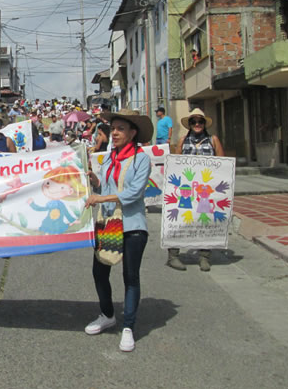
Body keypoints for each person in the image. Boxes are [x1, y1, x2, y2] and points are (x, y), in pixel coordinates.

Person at [85, 109, 153, 353]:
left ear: (133, 133)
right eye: (112, 128)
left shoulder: (141, 158)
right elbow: (106, 185)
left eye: (120, 128)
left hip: (132, 225)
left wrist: (101, 197)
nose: (113, 133)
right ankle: (107, 314)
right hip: (108, 223)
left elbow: (133, 193)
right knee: (99, 271)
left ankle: (129, 327)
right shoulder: (109, 158)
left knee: (130, 276)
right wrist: (94, 180)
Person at [167, 108, 224, 272]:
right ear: (189, 125)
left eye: (200, 121)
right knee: (179, 221)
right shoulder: (183, 140)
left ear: (204, 124)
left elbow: (222, 162)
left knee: (204, 221)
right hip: (186, 189)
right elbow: (176, 163)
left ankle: (204, 256)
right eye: (194, 122)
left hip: (206, 189)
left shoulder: (213, 140)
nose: (197, 124)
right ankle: (173, 255)